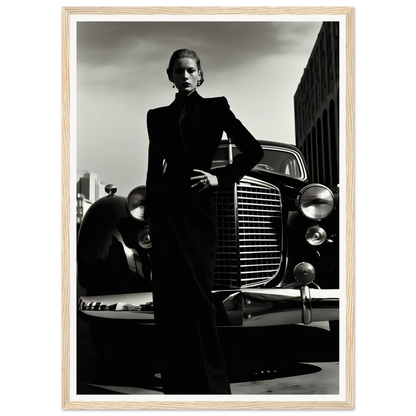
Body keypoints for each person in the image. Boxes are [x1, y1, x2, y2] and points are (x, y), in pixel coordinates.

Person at [144, 49, 263, 394]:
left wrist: (219, 178)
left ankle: (212, 386)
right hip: (167, 214)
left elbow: (252, 150)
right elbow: (154, 169)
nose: (184, 76)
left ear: (200, 75)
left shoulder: (216, 107)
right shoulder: (156, 116)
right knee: (169, 299)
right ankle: (177, 384)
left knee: (198, 297)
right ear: (170, 76)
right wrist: (151, 219)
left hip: (198, 211)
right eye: (178, 71)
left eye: (190, 70)